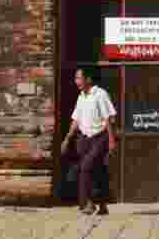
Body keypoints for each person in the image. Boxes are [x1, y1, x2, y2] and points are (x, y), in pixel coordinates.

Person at [61, 67, 116, 216]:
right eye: (76, 78)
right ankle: (103, 204)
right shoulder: (81, 97)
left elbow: (108, 118)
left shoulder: (100, 94)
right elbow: (76, 119)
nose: (76, 81)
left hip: (100, 137)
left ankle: (87, 204)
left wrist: (111, 140)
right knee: (97, 171)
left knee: (85, 167)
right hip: (84, 139)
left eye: (79, 78)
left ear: (88, 79)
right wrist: (67, 138)